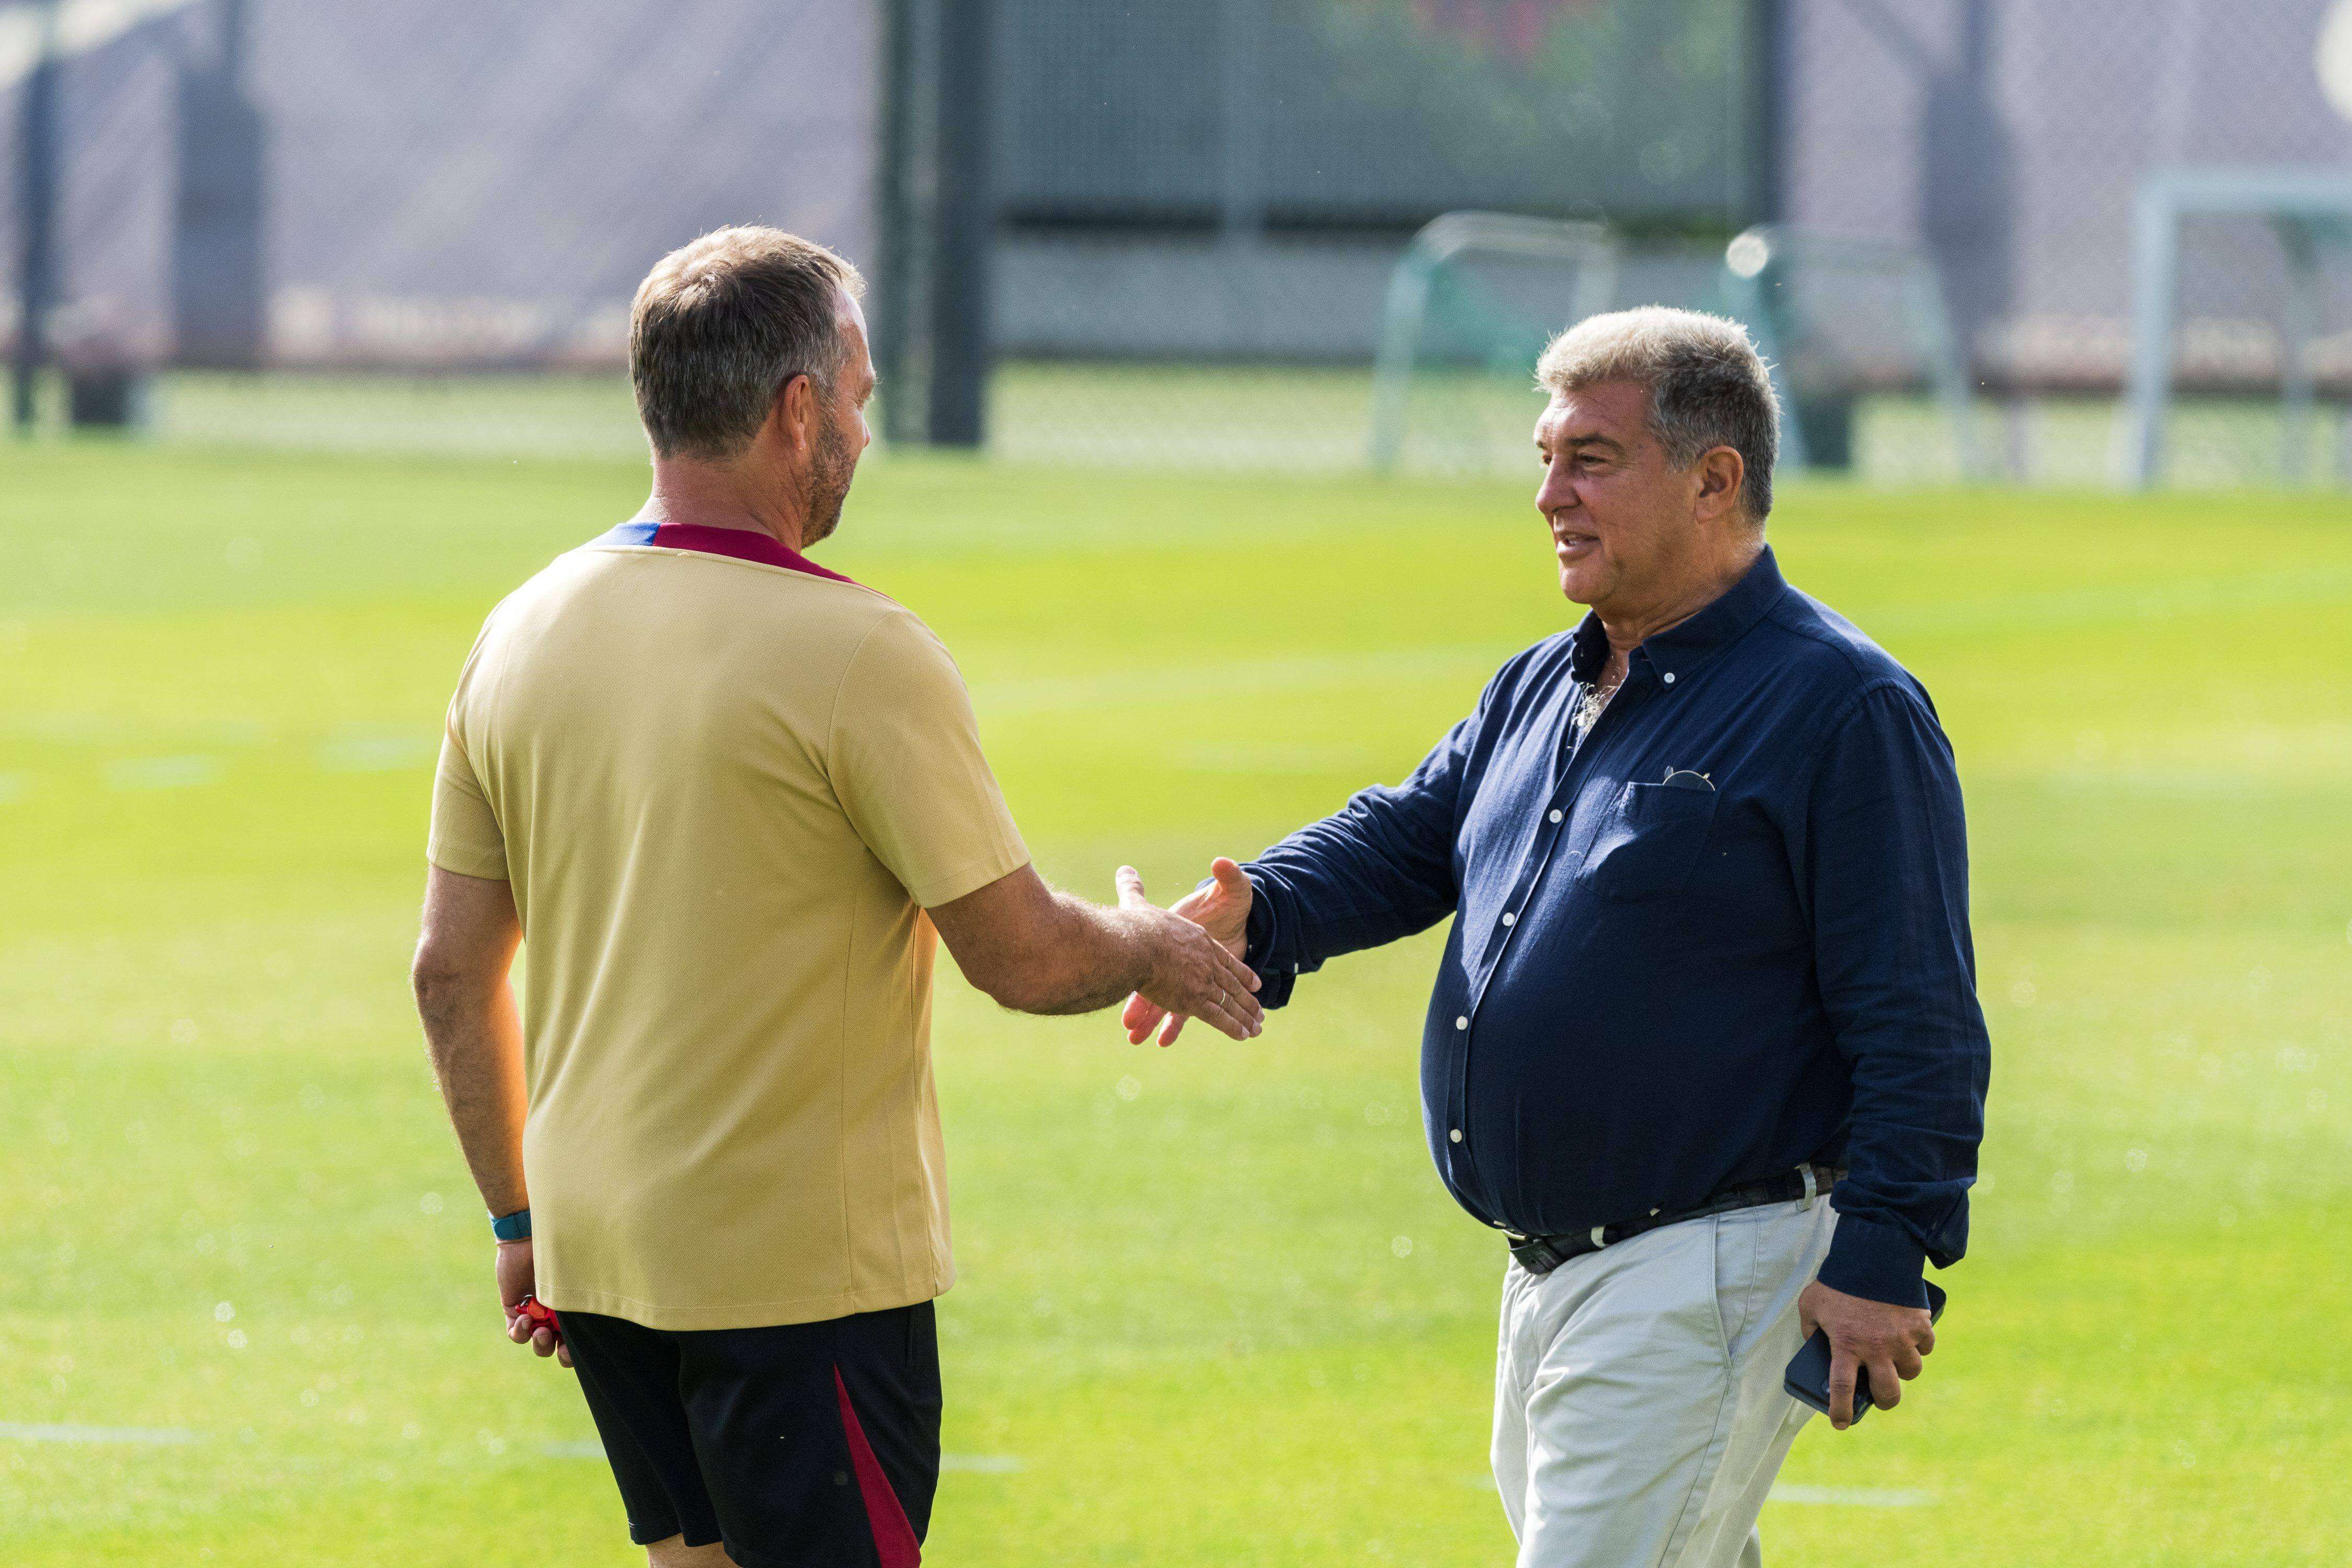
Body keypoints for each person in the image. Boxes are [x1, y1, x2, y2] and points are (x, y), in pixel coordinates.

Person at [409, 225, 1261, 1568]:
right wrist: (1150, 941)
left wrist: (518, 1221)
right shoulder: (860, 651)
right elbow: (1024, 957)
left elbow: (449, 973)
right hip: (796, 1286)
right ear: (797, 410)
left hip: (598, 1258)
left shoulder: (519, 630)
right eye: (858, 398)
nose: (866, 433)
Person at [1123, 307, 1991, 1567]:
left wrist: (1889, 1247)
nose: (1548, 496)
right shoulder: (1544, 679)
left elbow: (1917, 1013)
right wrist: (1260, 903)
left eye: (1591, 460)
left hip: (1701, 1272)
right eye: (1546, 458)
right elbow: (1413, 835)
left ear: (1714, 479)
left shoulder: (1844, 707)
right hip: (1552, 1280)